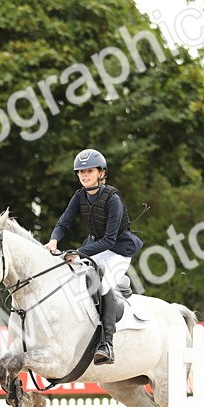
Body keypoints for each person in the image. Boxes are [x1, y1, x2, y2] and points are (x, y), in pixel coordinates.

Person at [45, 149, 143, 365]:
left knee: (104, 284)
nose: (84, 175)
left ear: (101, 173)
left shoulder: (113, 199)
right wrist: (54, 240)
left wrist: (78, 253)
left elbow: (109, 240)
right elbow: (64, 221)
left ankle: (107, 343)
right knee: (71, 277)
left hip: (117, 250)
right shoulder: (79, 196)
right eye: (80, 172)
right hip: (95, 247)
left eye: (89, 171)